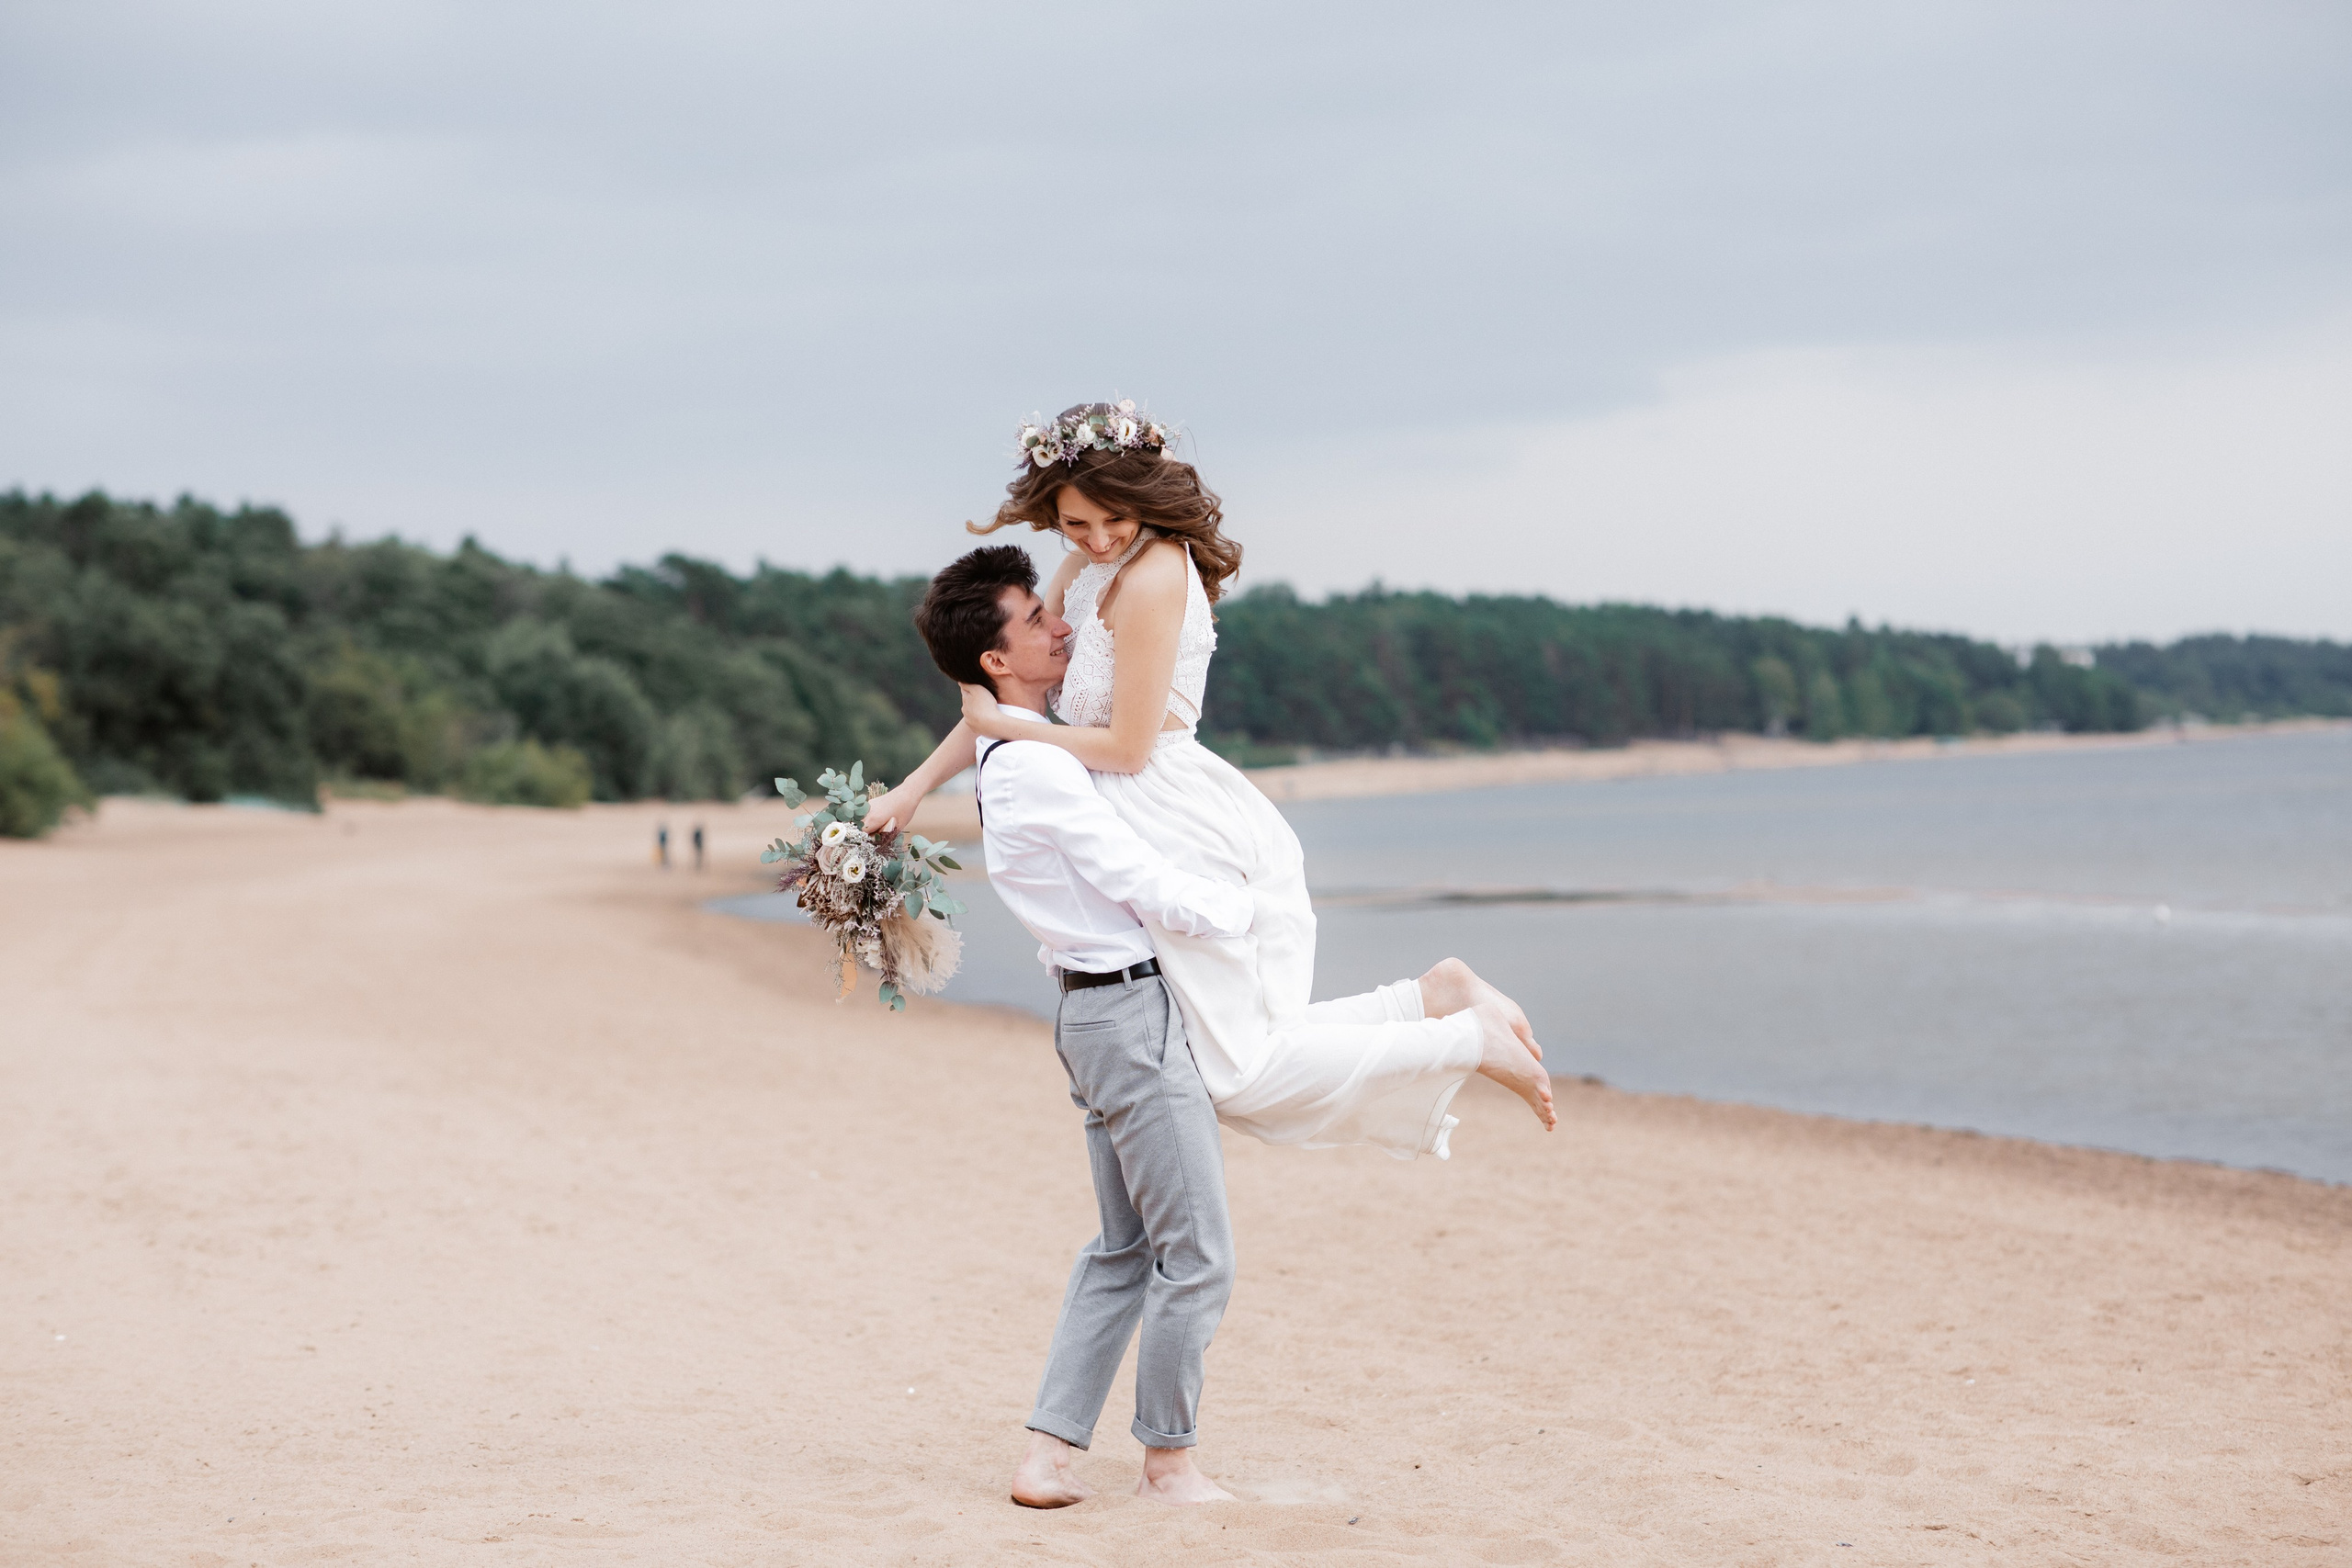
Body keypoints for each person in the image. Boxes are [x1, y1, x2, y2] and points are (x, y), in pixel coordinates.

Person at [865, 405, 1553, 1160]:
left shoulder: (1158, 573)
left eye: (1111, 519)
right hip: (1137, 815)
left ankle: (1460, 1031)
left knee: (1237, 1075)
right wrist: (912, 789)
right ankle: (1435, 998)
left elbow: (1124, 747)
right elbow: (1000, 690)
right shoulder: (1085, 572)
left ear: (1144, 494)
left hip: (1178, 812)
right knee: (1251, 1054)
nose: (1096, 540)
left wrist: (1013, 730)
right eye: (1075, 524)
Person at [911, 545, 1256, 1507]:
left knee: (1121, 1250)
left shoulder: (1000, 744)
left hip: (1093, 1016)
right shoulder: (1040, 769)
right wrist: (1244, 911)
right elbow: (1137, 882)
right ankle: (1168, 1465)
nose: (1059, 625)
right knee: (1196, 1254)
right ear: (994, 662)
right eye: (1034, 621)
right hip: (1128, 1016)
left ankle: (1046, 1456)